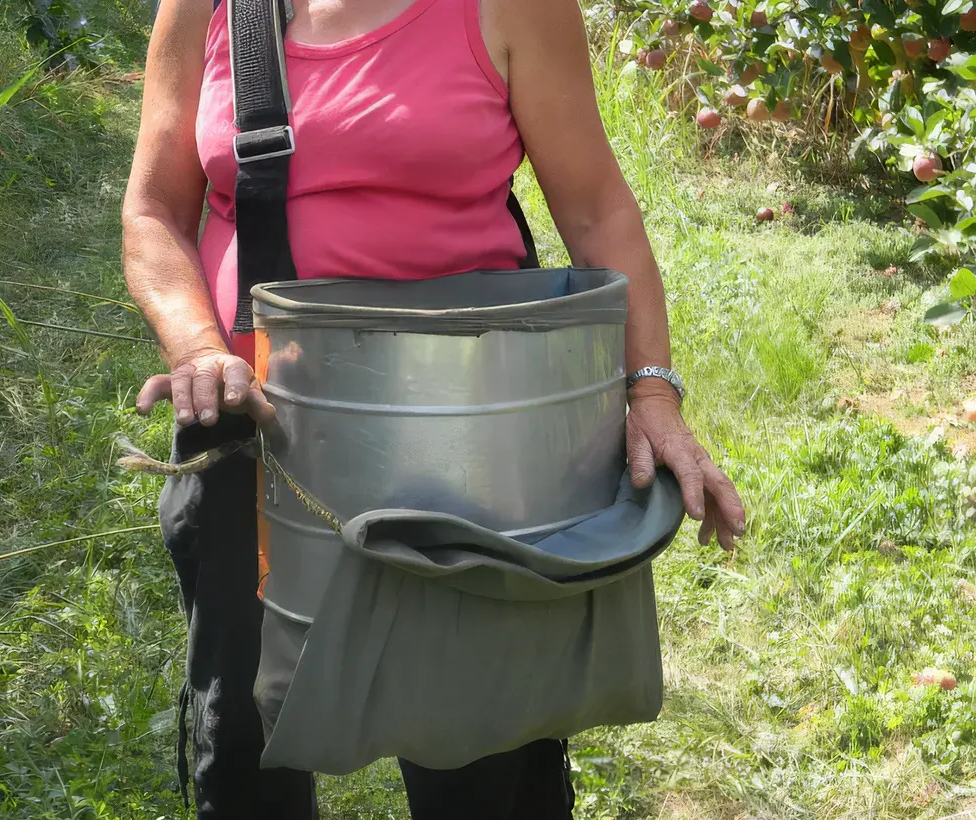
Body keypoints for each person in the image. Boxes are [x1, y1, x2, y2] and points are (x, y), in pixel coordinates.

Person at [120, 0, 747, 815]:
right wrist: (198, 349)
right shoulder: (210, 9)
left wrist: (652, 391)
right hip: (254, 428)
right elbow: (153, 211)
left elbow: (596, 209)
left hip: (470, 440)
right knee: (241, 737)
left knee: (487, 745)